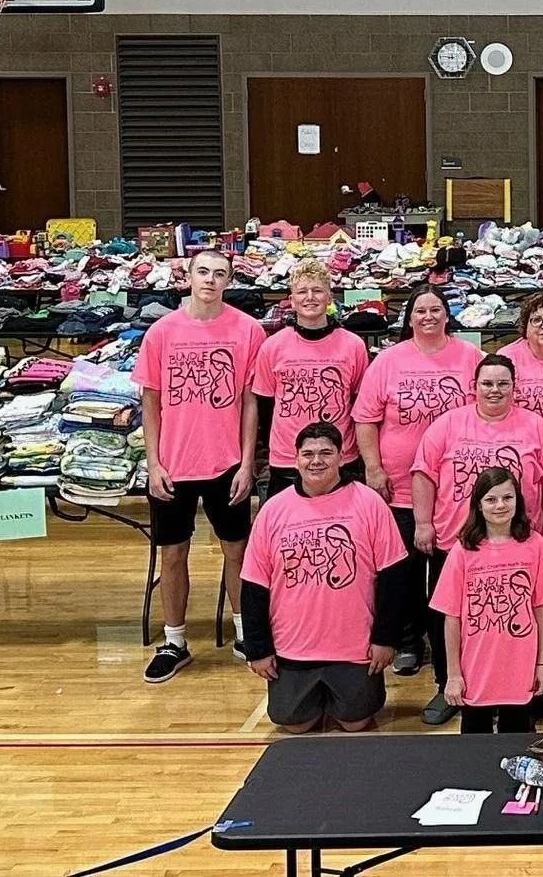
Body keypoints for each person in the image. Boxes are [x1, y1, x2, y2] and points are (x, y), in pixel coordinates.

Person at [133, 247, 266, 683]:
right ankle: (175, 641)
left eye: (220, 274)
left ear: (230, 280)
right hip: (173, 465)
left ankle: (245, 633)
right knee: (173, 554)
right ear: (187, 276)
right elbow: (149, 403)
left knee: (237, 551)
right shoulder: (161, 333)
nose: (210, 280)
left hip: (226, 463)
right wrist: (153, 464)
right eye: (203, 272)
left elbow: (250, 403)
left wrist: (247, 463)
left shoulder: (248, 331)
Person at [411, 355, 543, 725]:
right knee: (454, 615)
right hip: (458, 539)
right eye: (487, 383)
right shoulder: (447, 425)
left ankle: (521, 683)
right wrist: (422, 522)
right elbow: (423, 473)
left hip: (517, 542)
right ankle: (449, 683)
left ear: (515, 387)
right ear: (473, 386)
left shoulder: (537, 427)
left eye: (502, 384)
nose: (494, 390)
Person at [239, 422, 407, 732]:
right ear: (295, 459)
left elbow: (393, 577)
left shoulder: (369, 503)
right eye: (309, 454)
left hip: (355, 647)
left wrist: (385, 639)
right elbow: (253, 585)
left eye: (326, 453)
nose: (317, 461)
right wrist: (258, 648)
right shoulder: (273, 510)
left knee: (355, 723)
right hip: (292, 647)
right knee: (294, 725)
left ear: (342, 457)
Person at [351, 286, 481, 676]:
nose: (428, 316)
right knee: (401, 572)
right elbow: (365, 418)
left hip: (457, 492)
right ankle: (407, 641)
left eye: (436, 309)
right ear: (409, 319)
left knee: (448, 574)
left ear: (447, 315)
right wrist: (373, 468)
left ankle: (449, 644)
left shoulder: (469, 357)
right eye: (420, 310)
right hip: (399, 488)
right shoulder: (389, 361)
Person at [428, 466, 543, 734]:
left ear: (518, 501)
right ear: (478, 504)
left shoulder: (535, 545)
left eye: (507, 498)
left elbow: (542, 607)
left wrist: (542, 663)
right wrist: (453, 674)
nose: (500, 505)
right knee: (475, 746)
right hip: (476, 667)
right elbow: (451, 618)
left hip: (519, 667)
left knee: (518, 740)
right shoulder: (462, 551)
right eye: (491, 499)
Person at [252, 260, 370, 499]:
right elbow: (264, 406)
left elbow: (360, 406)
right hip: (287, 459)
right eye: (302, 292)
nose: (310, 297)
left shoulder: (353, 346)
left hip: (341, 458)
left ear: (329, 297)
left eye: (317, 291)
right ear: (292, 300)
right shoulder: (272, 346)